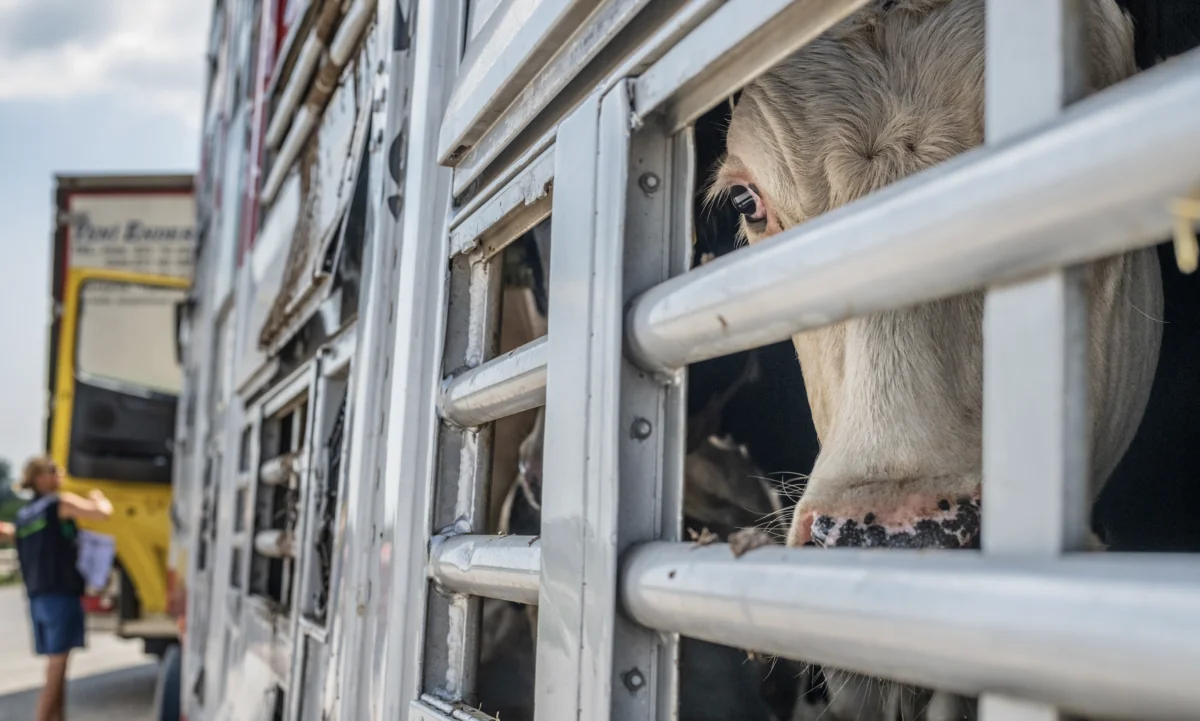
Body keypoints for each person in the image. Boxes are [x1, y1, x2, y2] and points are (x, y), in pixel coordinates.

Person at [0, 456, 113, 721]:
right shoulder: (59, 504)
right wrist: (98, 497)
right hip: (61, 594)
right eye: (53, 471)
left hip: (36, 596)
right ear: (40, 478)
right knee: (57, 665)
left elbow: (12, 533)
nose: (59, 474)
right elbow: (103, 514)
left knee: (57, 664)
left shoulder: (25, 513)